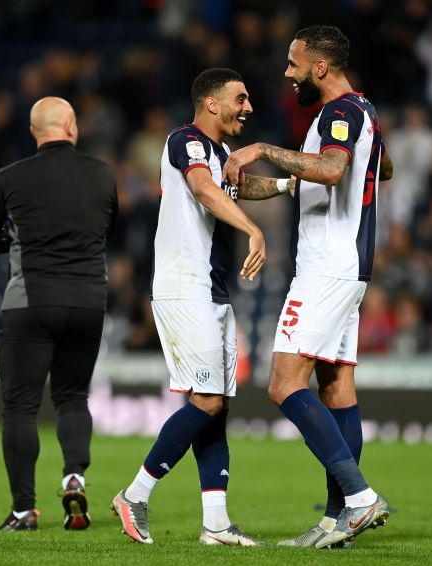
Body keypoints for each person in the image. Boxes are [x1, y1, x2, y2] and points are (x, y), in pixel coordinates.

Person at [223, 25, 394, 549]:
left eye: (294, 64)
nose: (287, 72)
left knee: (282, 384)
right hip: (350, 267)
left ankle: (360, 498)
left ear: (320, 67)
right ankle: (337, 521)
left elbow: (335, 170)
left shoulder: (340, 112)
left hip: (326, 268)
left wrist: (262, 149)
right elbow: (382, 169)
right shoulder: (359, 112)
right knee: (337, 388)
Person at [111, 68, 289, 546]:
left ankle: (216, 524)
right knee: (206, 400)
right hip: (184, 285)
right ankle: (135, 494)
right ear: (212, 103)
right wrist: (254, 230)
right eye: (240, 98)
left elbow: (237, 186)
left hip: (212, 288)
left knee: (217, 406)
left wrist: (291, 186)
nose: (248, 107)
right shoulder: (186, 141)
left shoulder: (222, 154)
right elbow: (204, 189)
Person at [0, 97, 117, 532]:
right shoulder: (101, 174)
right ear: (72, 127)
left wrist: (18, 237)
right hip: (87, 303)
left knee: (20, 409)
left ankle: (24, 511)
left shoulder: (10, 178)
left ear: (33, 131)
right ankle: (74, 475)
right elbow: (106, 228)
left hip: (31, 303)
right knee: (72, 398)